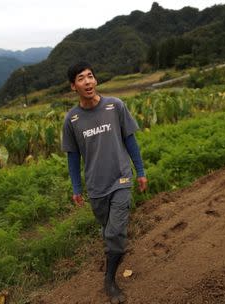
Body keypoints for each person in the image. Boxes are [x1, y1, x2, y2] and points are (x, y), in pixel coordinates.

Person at [62, 61, 148, 303]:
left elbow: (130, 140)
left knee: (115, 231)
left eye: (90, 76)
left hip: (121, 178)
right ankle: (115, 247)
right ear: (73, 86)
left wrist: (140, 171)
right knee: (108, 230)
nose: (88, 81)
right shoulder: (72, 120)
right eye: (81, 78)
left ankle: (109, 280)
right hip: (96, 187)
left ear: (96, 81)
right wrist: (77, 188)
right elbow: (72, 157)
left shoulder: (115, 106)